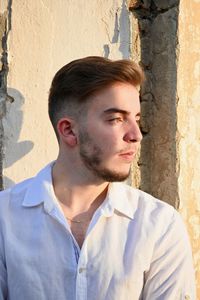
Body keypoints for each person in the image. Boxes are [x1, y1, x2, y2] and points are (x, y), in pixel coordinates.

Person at [0, 56, 196, 300]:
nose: (136, 135)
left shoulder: (159, 225)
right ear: (69, 130)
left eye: (136, 118)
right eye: (116, 119)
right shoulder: (4, 218)